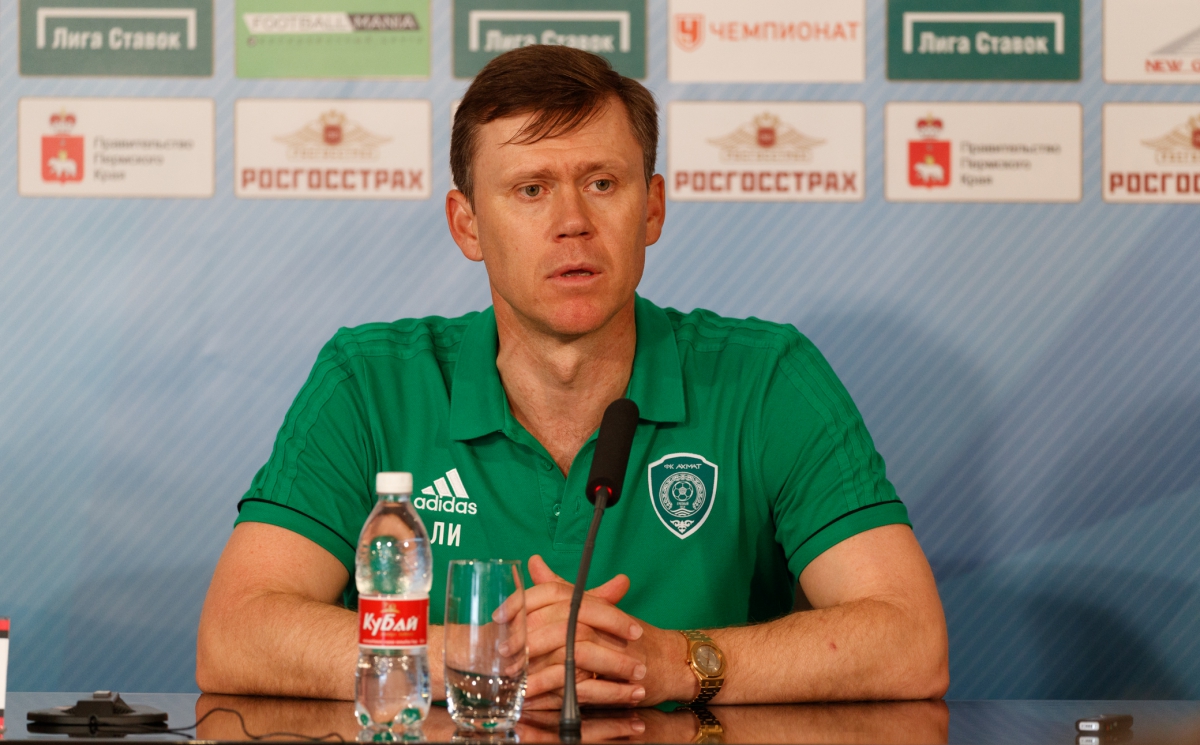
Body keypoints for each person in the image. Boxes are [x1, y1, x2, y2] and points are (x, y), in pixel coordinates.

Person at [197, 45, 949, 708]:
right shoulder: (370, 384)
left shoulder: (766, 377)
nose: (572, 222)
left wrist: (676, 663)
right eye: (531, 189)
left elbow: (910, 640)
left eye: (602, 183)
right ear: (467, 225)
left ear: (651, 208)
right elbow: (235, 635)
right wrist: (475, 656)